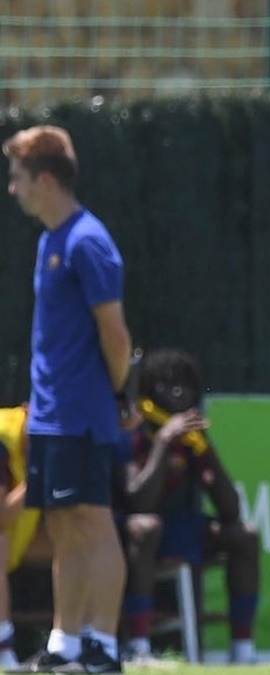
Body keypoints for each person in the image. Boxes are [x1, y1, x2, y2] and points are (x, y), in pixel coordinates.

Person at [4, 125, 131, 673]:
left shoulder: (88, 241)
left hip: (81, 413)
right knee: (59, 524)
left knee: (93, 523)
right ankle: (66, 644)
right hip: (50, 414)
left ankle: (103, 646)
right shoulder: (49, 241)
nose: (12, 189)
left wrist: (116, 392)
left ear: (47, 180)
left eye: (18, 178)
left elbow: (116, 337)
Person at [118, 348, 260, 664]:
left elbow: (231, 509)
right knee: (146, 526)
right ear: (149, 390)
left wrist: (204, 447)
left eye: (186, 384)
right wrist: (164, 442)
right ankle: (138, 645)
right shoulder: (135, 430)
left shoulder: (193, 437)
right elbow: (138, 500)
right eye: (167, 384)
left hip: (183, 527)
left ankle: (243, 650)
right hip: (132, 534)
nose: (179, 391)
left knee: (245, 535)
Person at [1, 405, 47, 669]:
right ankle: (3, 647)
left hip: (21, 536)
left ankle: (83, 640)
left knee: (76, 540)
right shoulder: (2, 436)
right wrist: (39, 471)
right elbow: (2, 516)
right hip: (5, 534)